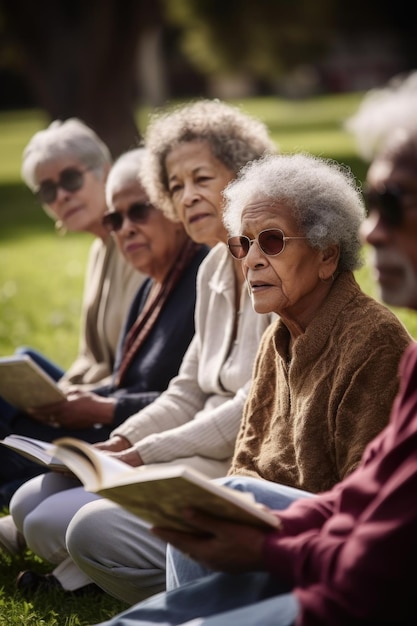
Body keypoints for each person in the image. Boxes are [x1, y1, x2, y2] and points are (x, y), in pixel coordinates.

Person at [68, 146, 410, 609]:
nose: (250, 260)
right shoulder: (277, 336)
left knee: (230, 495)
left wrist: (250, 523)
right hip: (273, 533)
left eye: (270, 241)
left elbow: (360, 501)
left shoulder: (374, 340)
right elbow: (247, 453)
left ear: (328, 255)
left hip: (324, 546)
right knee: (197, 509)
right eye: (241, 244)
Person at [7, 99, 277, 600]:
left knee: (82, 527)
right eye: (175, 186)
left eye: (202, 178)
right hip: (192, 451)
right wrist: (115, 446)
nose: (188, 196)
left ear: (246, 174)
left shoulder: (275, 261)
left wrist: (139, 454)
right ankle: (95, 572)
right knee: (37, 507)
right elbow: (185, 390)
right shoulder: (214, 268)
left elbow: (249, 411)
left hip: (240, 463)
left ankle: (106, 576)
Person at [1, 146, 208, 593]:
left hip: (162, 447)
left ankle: (81, 571)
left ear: (173, 211)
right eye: (114, 219)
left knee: (45, 517)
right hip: (122, 436)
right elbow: (124, 378)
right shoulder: (152, 284)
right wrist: (92, 404)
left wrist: (102, 413)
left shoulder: (202, 281)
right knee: (25, 504)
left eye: (139, 211)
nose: (125, 228)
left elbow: (191, 398)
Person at [0, 119, 144, 506]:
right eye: (48, 190)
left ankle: (21, 493)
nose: (61, 196)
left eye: (70, 179)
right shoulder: (101, 248)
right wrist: (57, 396)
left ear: (105, 172)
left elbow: (138, 367)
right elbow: (90, 355)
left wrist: (81, 398)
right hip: (94, 397)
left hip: (119, 413)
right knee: (22, 361)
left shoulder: (137, 244)